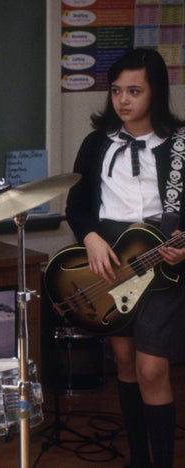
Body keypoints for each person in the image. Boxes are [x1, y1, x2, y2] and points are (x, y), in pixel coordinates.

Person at [65, 48, 185, 468]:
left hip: (165, 268)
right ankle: (138, 460)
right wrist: (92, 238)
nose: (123, 101)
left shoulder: (180, 145)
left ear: (157, 93)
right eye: (117, 91)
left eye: (135, 91)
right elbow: (76, 205)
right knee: (126, 362)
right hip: (112, 261)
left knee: (154, 369)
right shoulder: (97, 143)